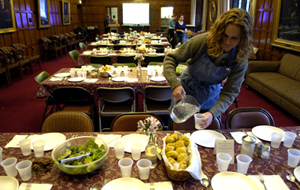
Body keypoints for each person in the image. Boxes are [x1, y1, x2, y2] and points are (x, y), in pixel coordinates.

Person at [164, 8, 253, 129]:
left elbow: (230, 92)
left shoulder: (240, 58)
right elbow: (170, 59)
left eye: (234, 38)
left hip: (211, 98)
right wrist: (175, 84)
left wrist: (213, 113)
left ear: (243, 39)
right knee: (177, 129)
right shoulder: (203, 41)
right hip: (185, 93)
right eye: (225, 35)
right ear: (219, 31)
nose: (227, 42)